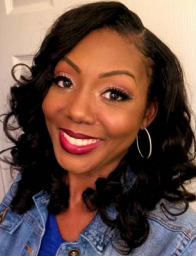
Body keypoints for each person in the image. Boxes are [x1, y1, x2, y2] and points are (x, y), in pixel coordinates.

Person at [0, 1, 196, 255]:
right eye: (64, 80)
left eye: (114, 94)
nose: (77, 111)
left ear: (147, 114)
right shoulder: (31, 179)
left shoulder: (180, 243)